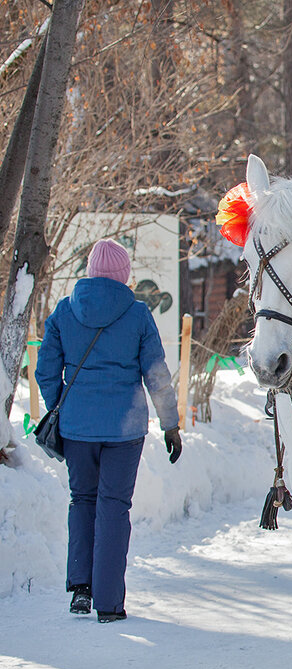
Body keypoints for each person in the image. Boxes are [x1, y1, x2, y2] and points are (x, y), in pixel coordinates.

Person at [36, 239, 182, 623]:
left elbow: (46, 368)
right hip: (125, 429)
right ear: (124, 275)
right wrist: (170, 424)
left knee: (82, 500)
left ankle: (80, 591)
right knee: (114, 508)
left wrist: (61, 404)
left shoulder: (65, 311)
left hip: (77, 427)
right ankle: (109, 603)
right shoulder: (137, 314)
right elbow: (156, 374)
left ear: (89, 271)